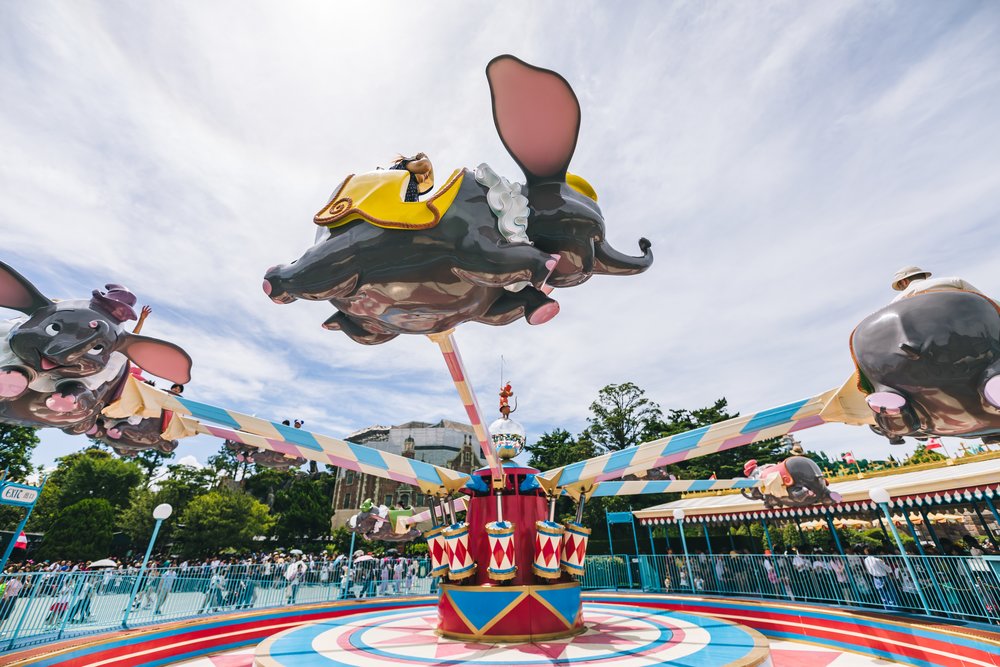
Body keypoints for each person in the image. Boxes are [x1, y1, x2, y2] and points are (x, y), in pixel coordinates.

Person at [890, 266, 983, 302]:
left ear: (904, 282)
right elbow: (985, 300)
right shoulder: (955, 281)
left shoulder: (897, 301)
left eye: (901, 287)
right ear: (924, 277)